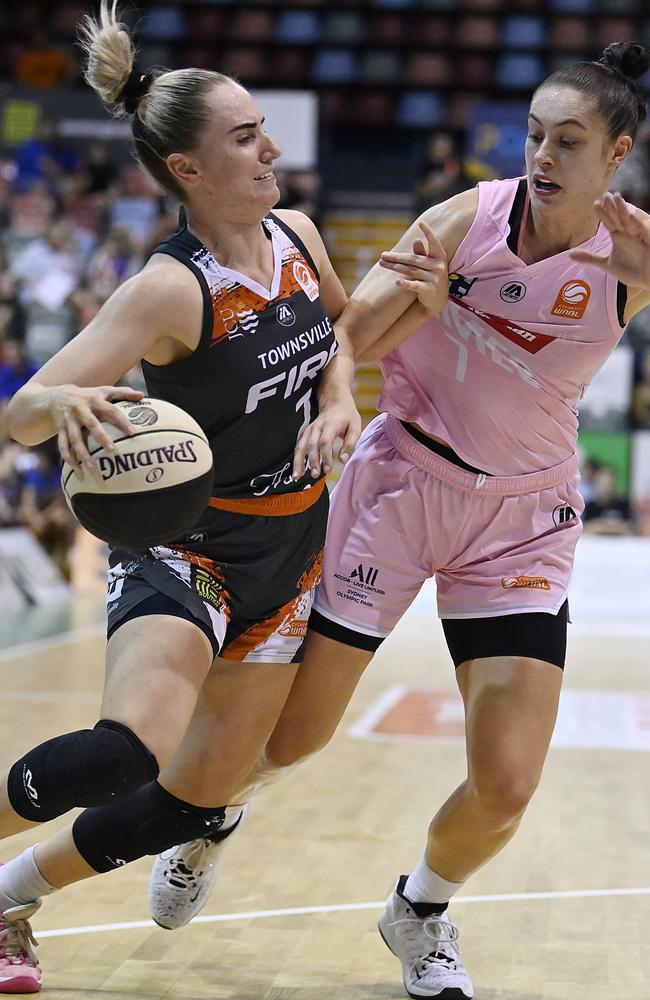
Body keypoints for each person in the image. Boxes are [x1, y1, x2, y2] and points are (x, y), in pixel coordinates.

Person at [148, 41, 650, 1000]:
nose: (543, 157)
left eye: (570, 143)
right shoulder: (466, 218)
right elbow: (344, 342)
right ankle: (210, 817)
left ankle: (418, 909)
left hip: (523, 519)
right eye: (535, 135)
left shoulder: (632, 256)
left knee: (505, 786)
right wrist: (415, 313)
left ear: (616, 155)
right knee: (292, 740)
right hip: (400, 489)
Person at [0, 1, 360, 992]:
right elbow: (22, 411)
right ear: (188, 170)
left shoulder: (295, 233)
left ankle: (4, 903)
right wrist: (61, 396)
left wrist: (337, 406)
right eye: (245, 136)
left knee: (188, 805)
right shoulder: (167, 290)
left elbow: (339, 335)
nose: (270, 147)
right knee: (122, 754)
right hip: (191, 543)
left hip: (291, 552)